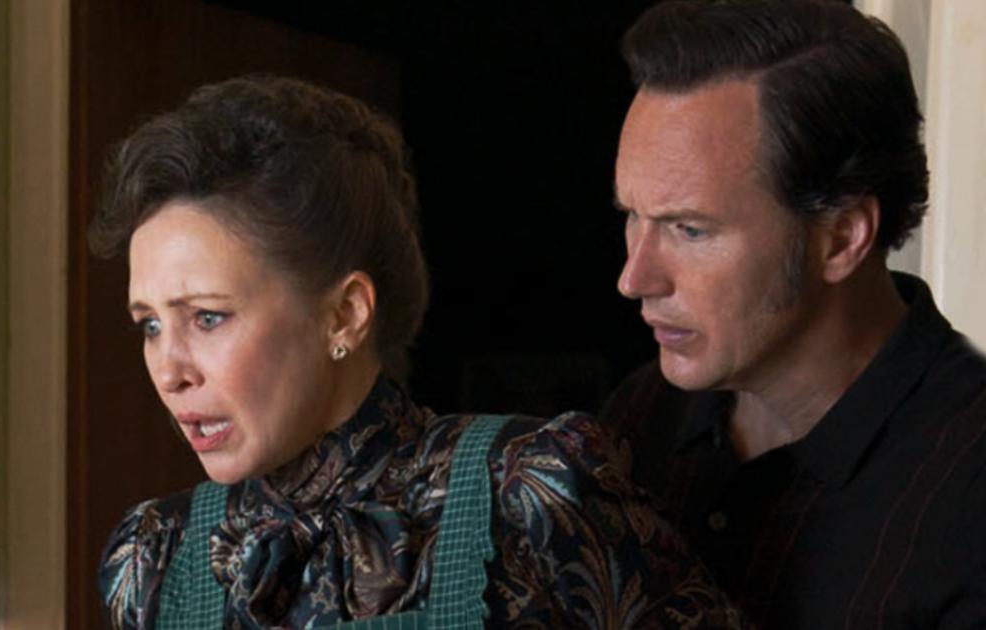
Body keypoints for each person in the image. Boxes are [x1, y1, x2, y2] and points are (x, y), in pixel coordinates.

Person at [90, 75, 741, 629]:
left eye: (208, 317)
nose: (169, 370)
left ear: (345, 314)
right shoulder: (154, 558)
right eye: (150, 325)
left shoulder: (528, 495)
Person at [601, 1, 986, 628]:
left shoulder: (967, 490)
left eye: (689, 229)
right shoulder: (640, 418)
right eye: (632, 217)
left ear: (841, 238)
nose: (634, 278)